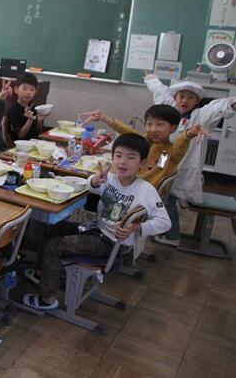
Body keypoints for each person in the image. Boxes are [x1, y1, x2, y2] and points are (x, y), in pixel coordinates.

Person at [22, 133, 171, 310]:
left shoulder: (146, 190)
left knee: (54, 245)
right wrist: (94, 180)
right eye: (118, 155)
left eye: (131, 157)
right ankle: (45, 275)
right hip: (96, 230)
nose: (123, 162)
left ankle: (47, 299)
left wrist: (137, 227)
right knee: (49, 228)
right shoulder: (111, 179)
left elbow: (165, 222)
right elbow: (92, 187)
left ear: (143, 163)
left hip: (111, 243)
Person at [142, 74, 236, 245]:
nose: (185, 100)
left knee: (167, 199)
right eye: (182, 96)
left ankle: (172, 236)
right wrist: (150, 77)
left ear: (197, 100)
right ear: (175, 97)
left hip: (182, 166)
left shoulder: (201, 115)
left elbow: (219, 107)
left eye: (190, 97)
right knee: (158, 192)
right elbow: (160, 90)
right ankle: (158, 228)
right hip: (164, 159)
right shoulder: (169, 109)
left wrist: (232, 104)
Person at [82, 105, 206, 188]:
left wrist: (190, 133)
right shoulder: (146, 142)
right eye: (149, 124)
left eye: (159, 125)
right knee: (98, 180)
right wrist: (105, 118)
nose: (153, 129)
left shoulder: (172, 151)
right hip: (130, 186)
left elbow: (181, 141)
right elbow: (129, 132)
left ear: (173, 128)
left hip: (142, 197)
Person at [6, 72, 46, 142]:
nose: (28, 92)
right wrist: (30, 120)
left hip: (34, 143)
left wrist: (39, 120)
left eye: (32, 89)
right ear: (16, 90)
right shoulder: (13, 111)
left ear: (36, 91)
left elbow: (38, 132)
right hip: (20, 146)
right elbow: (20, 135)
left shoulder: (33, 107)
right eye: (24, 88)